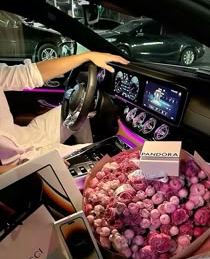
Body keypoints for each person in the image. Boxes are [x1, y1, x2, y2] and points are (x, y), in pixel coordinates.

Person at [0, 51, 129, 174]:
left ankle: (86, 149)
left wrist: (87, 56)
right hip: (21, 160)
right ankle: (88, 158)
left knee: (77, 110)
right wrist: (30, 168)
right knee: (110, 155)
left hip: (28, 135)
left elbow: (28, 74)